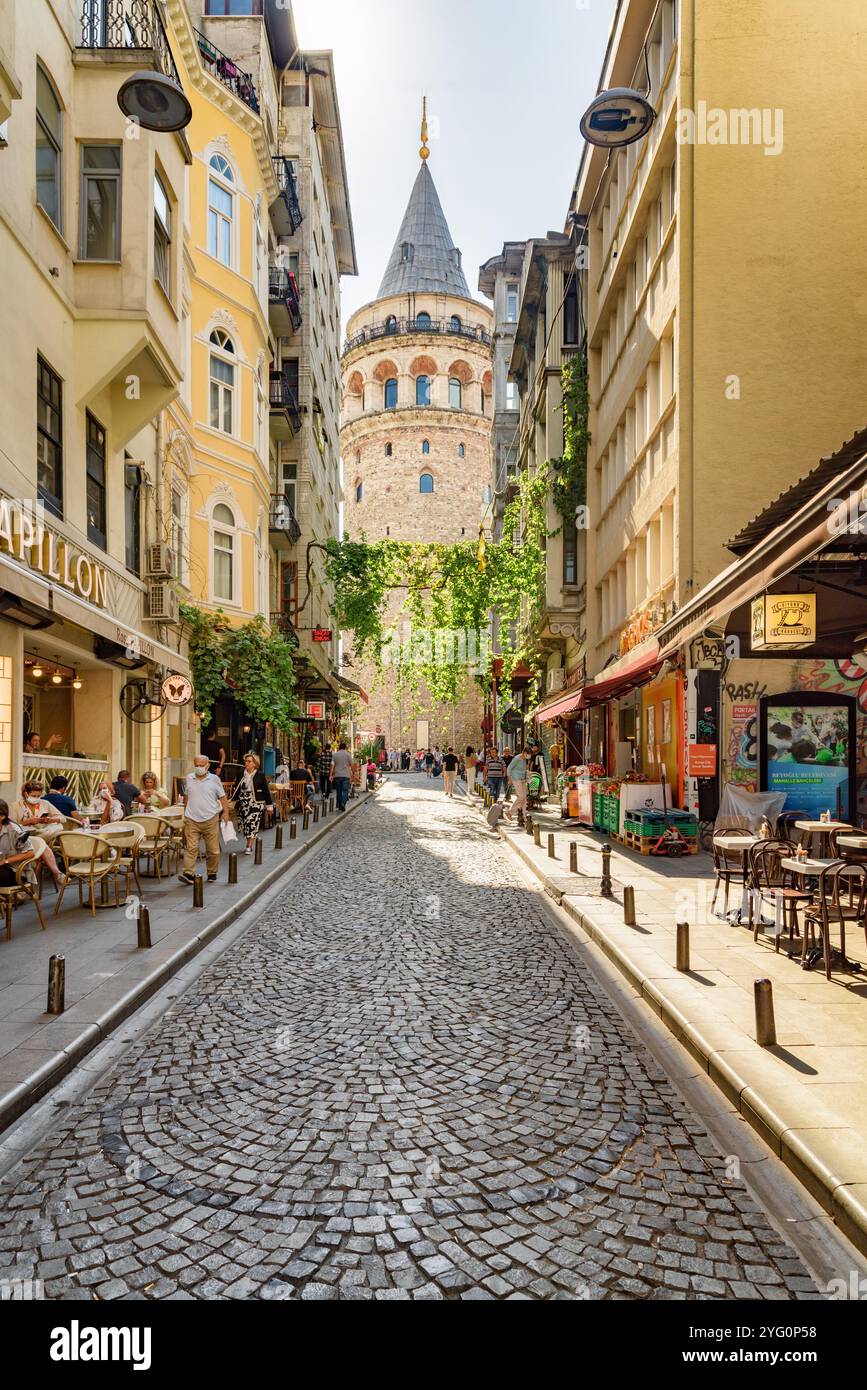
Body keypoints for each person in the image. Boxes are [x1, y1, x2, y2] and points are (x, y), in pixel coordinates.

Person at [180, 756, 230, 884]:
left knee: (212, 849)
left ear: (208, 765)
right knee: (191, 848)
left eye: (202, 765)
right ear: (193, 763)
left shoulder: (214, 779)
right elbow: (187, 796)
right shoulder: (189, 778)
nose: (199, 767)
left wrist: (225, 812)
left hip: (210, 818)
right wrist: (185, 813)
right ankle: (188, 873)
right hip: (191, 819)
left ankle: (212, 872)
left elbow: (223, 797)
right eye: (197, 764)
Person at [4, 792, 66, 889]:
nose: (37, 798)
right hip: (26, 835)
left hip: (34, 835)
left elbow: (63, 818)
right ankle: (57, 874)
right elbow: (12, 823)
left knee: (46, 837)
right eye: (34, 795)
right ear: (26, 793)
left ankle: (27, 887)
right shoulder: (16, 806)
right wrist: (27, 822)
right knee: (42, 845)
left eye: (38, 795)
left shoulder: (45, 803)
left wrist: (50, 819)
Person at [230, 753, 273, 855]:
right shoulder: (241, 773)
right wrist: (232, 801)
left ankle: (249, 846)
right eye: (246, 761)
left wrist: (269, 806)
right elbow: (236, 788)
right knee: (245, 824)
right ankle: (248, 841)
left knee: (252, 822)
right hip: (243, 801)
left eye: (249, 761)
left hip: (256, 802)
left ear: (255, 763)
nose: (247, 763)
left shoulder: (260, 775)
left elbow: (266, 791)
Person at [505, 747, 529, 824]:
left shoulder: (524, 759)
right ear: (524, 753)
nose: (529, 756)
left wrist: (527, 776)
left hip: (522, 779)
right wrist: (509, 779)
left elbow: (524, 769)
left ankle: (524, 816)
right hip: (516, 778)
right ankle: (509, 812)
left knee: (524, 798)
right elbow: (509, 768)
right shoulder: (517, 758)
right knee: (521, 796)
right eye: (528, 754)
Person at [330, 742, 353, 811]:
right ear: (345, 747)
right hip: (346, 775)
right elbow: (351, 765)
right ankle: (343, 803)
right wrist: (353, 774)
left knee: (338, 791)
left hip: (337, 775)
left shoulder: (334, 755)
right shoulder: (348, 754)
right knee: (345, 790)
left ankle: (339, 805)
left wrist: (330, 775)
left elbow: (332, 765)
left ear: (339, 747)